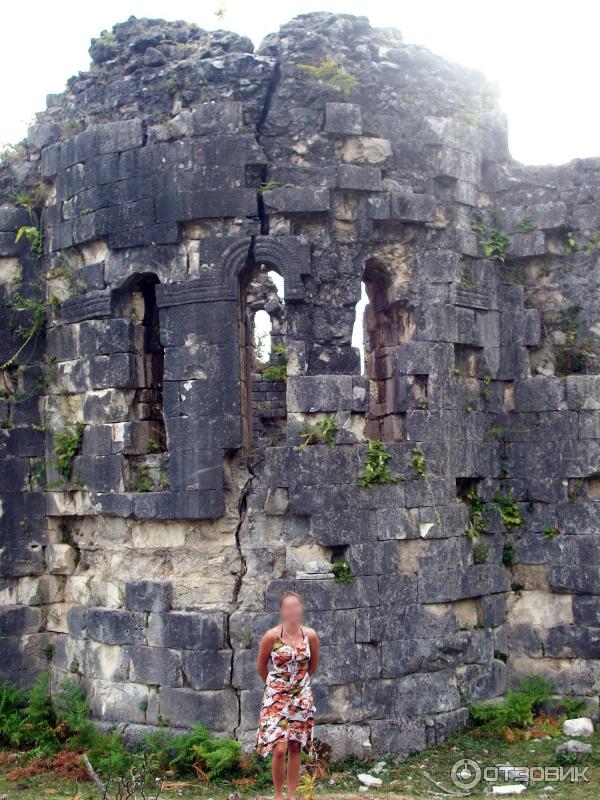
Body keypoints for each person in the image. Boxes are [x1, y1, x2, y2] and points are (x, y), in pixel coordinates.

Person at [256, 590, 320, 800]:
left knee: (295, 745)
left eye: (296, 606)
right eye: (288, 607)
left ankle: (291, 795)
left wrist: (298, 686)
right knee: (280, 749)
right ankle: (277, 795)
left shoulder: (310, 635)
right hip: (276, 698)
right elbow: (261, 668)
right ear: (282, 611)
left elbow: (312, 667)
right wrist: (277, 688)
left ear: (301, 609)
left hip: (301, 696)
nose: (292, 611)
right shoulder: (272, 636)